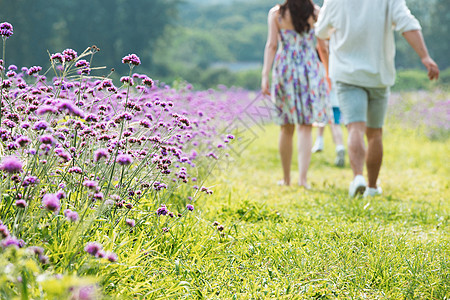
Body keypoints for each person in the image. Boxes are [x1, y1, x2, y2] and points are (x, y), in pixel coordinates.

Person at [315, 0, 439, 197]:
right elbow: (408, 23)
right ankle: (372, 187)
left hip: (347, 74)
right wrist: (424, 56)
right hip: (378, 75)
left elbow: (320, 31)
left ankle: (358, 178)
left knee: (354, 127)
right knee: (375, 133)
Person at [261, 0, 333, 188]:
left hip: (285, 69)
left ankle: (286, 179)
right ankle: (303, 180)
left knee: (286, 127)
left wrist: (265, 75)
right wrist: (328, 72)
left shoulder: (277, 14)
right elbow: (323, 47)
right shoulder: (316, 12)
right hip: (309, 69)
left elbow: (272, 46)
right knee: (306, 126)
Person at [312, 40, 346, 167]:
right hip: (336, 99)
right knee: (335, 124)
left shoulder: (318, 65)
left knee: (321, 119)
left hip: (324, 98)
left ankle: (319, 141)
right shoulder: (338, 62)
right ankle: (339, 147)